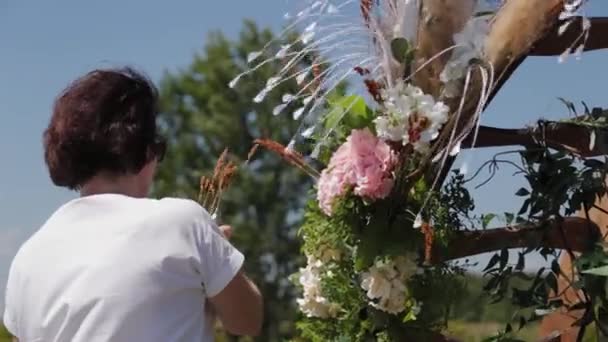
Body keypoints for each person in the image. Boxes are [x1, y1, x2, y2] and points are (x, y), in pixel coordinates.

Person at [2, 67, 263, 342]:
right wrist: (215, 261)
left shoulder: (28, 257)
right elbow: (247, 320)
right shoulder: (183, 223)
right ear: (146, 150)